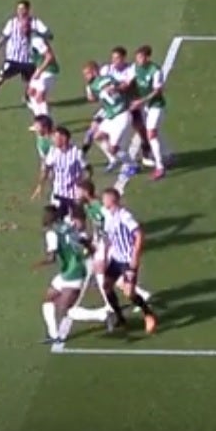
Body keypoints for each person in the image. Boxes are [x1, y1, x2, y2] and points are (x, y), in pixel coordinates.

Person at [99, 188, 158, 334]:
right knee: (106, 286)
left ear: (111, 200)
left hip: (127, 260)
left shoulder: (125, 216)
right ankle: (120, 317)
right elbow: (108, 239)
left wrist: (135, 257)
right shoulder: (108, 216)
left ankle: (148, 314)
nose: (102, 201)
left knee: (129, 293)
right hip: (116, 259)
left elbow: (139, 235)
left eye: (104, 198)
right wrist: (105, 258)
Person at [35, 205, 96, 344]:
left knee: (66, 310)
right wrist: (91, 250)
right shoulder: (67, 226)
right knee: (48, 300)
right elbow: (82, 239)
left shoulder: (51, 233)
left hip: (72, 273)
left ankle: (102, 315)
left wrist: (39, 264)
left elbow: (52, 258)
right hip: (70, 270)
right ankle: (53, 334)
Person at [131, 45, 172, 180]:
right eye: (137, 57)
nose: (138, 60)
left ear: (147, 57)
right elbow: (127, 82)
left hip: (156, 106)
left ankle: (160, 167)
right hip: (146, 107)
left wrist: (140, 101)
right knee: (155, 133)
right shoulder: (135, 68)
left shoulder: (155, 71)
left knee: (151, 134)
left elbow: (157, 91)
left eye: (140, 57)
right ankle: (168, 155)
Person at [31, 126, 86, 218]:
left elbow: (87, 169)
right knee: (56, 218)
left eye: (55, 137)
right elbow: (46, 168)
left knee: (73, 219)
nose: (53, 140)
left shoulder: (76, 152)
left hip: (74, 194)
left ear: (63, 138)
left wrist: (84, 188)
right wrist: (40, 185)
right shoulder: (53, 151)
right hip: (58, 192)